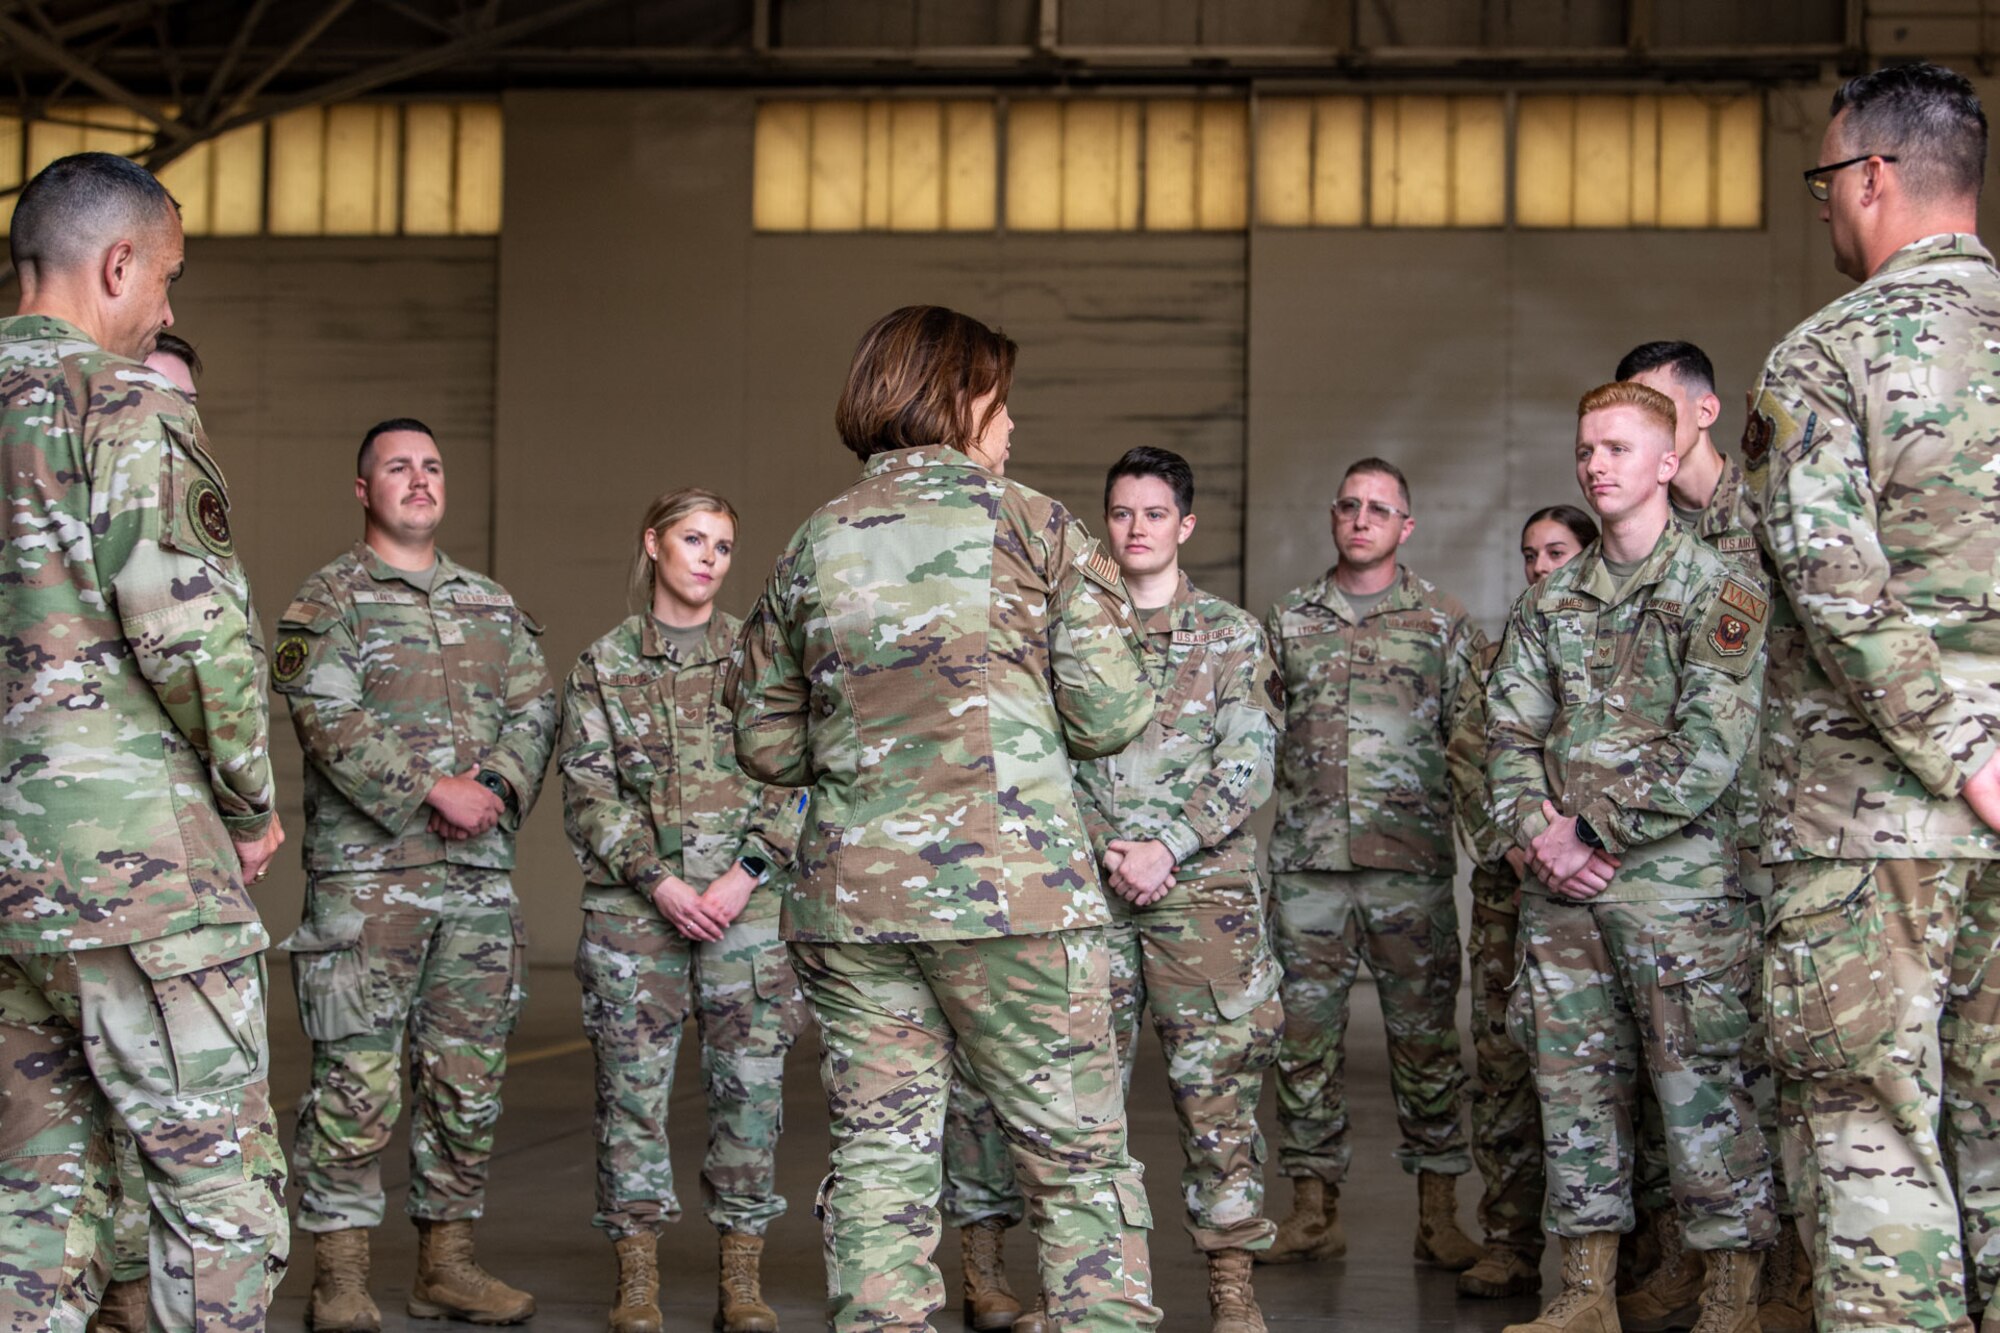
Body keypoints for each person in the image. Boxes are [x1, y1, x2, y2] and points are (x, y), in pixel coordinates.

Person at [730, 305, 1162, 1332]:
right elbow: (1111, 713)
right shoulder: (1035, 525)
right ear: (963, 399)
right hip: (1014, 901)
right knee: (1073, 1167)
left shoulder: (813, 543)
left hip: (854, 907)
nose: (1009, 424)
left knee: (880, 1168)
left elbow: (763, 740)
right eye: (1001, 399)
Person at [0, 152, 287, 1329]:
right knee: (218, 1193)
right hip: (137, 875)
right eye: (164, 278)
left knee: (33, 1200)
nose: (167, 310)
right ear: (116, 263)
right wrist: (252, 803)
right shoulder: (124, 405)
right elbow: (195, 641)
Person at [1743, 60, 2000, 1333]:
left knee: (1869, 1134)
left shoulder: (1824, 356)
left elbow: (1838, 591)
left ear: (1873, 178)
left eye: (1825, 181)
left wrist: (1963, 757)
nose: (1825, 208)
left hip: (1871, 827)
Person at [1487, 382, 1776, 1333]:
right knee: (1573, 1089)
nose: (1596, 464)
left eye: (1616, 447)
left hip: (1679, 895)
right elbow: (1506, 734)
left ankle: (1731, 1300)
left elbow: (1710, 745)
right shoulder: (1548, 601)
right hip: (1563, 900)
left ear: (1665, 462)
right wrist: (1539, 837)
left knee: (1701, 1092)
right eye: (1585, 449)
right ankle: (1585, 1297)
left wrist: (1591, 832)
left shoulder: (1721, 591)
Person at [272, 418, 556, 1329]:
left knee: (466, 1082)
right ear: (364, 490)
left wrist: (499, 787)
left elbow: (535, 706)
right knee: (355, 1083)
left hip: (476, 883)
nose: (420, 480)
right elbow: (329, 719)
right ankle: (341, 1275)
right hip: (367, 885)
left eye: (431, 466)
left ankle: (448, 1263)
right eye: (398, 467)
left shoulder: (491, 603)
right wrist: (433, 788)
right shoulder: (329, 601)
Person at [559, 487, 809, 1333]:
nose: (709, 557)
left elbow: (799, 779)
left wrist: (746, 871)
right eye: (694, 539)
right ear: (653, 544)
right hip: (637, 918)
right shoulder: (604, 663)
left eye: (725, 545)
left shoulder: (762, 659)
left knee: (751, 1094)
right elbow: (589, 794)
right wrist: (658, 880)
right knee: (631, 1100)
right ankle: (637, 1278)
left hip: (747, 914)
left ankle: (742, 1276)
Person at [1616, 339, 1805, 1331]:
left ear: (1699, 412)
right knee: (1682, 1062)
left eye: (1652, 405)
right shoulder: (1655, 540)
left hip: (1774, 825)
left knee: (1774, 1053)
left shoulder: (1765, 515)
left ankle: (1792, 1271)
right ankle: (1704, 1264)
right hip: (1685, 839)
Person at [1260, 457, 1485, 1272]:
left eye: (1379, 508)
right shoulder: (1288, 622)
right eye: (1349, 505)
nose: (1362, 518)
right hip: (1309, 870)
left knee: (1425, 1043)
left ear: (1405, 526)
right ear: (1333, 516)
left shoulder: (1442, 622)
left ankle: (1438, 1212)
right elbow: (1250, 740)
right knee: (1302, 1043)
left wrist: (1499, 850)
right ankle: (1314, 1208)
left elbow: (1476, 745)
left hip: (1409, 867)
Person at [1444, 502, 1597, 1302]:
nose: (1541, 567)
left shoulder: (1617, 642)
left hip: (1598, 888)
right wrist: (1520, 845)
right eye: (1531, 553)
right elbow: (1469, 757)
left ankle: (1625, 1254)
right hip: (1512, 886)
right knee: (1502, 1061)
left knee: (1602, 1070)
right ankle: (1508, 1238)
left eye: (1558, 552)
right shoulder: (1492, 654)